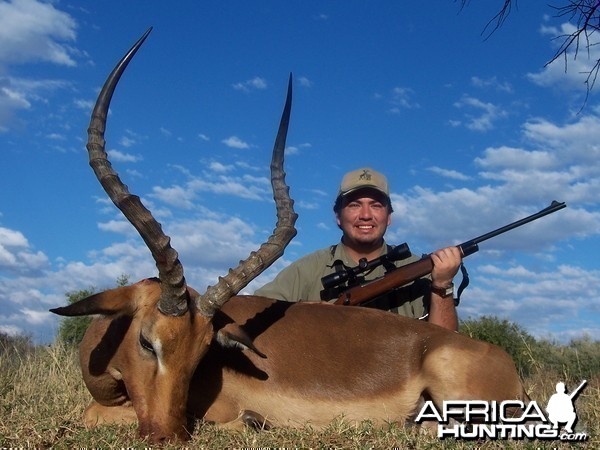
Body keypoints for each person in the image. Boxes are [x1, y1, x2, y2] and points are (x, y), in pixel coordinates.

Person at [254, 167, 462, 331]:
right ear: (338, 216)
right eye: (354, 205)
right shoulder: (307, 269)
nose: (365, 215)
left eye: (376, 205)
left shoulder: (416, 269)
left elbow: (446, 346)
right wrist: (305, 313)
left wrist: (442, 284)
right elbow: (252, 309)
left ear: (388, 217)